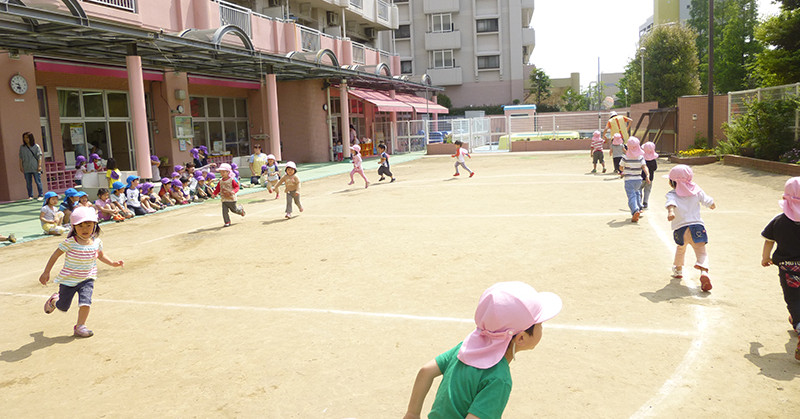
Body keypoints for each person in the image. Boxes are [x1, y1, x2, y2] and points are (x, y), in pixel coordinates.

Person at [403, 281, 562, 419]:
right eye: (540, 325)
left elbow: (426, 371)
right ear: (521, 338)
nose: (542, 328)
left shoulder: (464, 348)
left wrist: (412, 414)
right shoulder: (499, 378)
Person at [39, 206, 124, 338]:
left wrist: (112, 263)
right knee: (63, 306)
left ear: (95, 225)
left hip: (87, 279)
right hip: (68, 280)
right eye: (80, 226)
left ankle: (80, 326)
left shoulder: (97, 242)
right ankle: (54, 300)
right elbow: (55, 255)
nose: (85, 229)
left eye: (88, 225)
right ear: (74, 227)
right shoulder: (70, 242)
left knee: (85, 302)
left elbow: (100, 256)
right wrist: (46, 272)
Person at [761, 177, 800, 361]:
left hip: (789, 270)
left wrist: (765, 257)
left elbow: (769, 240)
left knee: (793, 299)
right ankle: (797, 321)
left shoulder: (779, 221)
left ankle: (799, 324)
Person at [666, 164, 716, 292]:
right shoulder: (697, 190)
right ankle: (704, 272)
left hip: (681, 229)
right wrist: (712, 204)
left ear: (672, 182)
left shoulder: (672, 194)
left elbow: (670, 204)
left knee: (681, 249)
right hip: (697, 227)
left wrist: (671, 212)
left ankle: (678, 269)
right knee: (701, 252)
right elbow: (709, 201)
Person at [619, 137, 649, 222]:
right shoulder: (640, 157)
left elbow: (621, 167)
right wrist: (647, 175)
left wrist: (623, 170)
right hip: (638, 179)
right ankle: (639, 207)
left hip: (629, 180)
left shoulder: (625, 157)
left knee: (631, 195)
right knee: (637, 193)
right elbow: (644, 167)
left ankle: (635, 210)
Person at [19, 131, 44, 200]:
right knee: (28, 182)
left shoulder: (36, 146)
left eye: (27, 137)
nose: (25, 139)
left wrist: (39, 166)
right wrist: (20, 166)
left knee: (38, 181)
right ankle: (30, 195)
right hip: (26, 167)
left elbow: (39, 157)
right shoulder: (22, 147)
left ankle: (40, 195)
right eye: (24, 138)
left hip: (35, 167)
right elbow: (20, 157)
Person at [640, 142, 659, 209]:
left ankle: (639, 201)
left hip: (641, 177)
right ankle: (645, 202)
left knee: (639, 189)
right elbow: (655, 168)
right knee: (647, 190)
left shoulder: (642, 159)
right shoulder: (653, 160)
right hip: (650, 178)